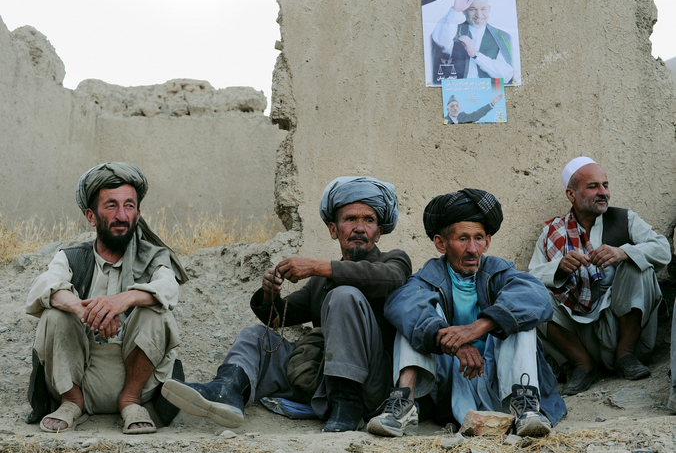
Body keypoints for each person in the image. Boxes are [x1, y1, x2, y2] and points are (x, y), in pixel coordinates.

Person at [161, 176, 412, 432]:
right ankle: (228, 390)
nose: (360, 227)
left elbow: (388, 279)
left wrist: (316, 266)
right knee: (256, 335)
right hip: (322, 381)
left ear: (379, 232)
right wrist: (270, 294)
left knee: (344, 295)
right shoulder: (320, 282)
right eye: (350, 219)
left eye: (369, 220)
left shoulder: (394, 261)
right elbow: (278, 318)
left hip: (371, 387)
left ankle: (348, 405)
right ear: (333, 230)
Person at [370, 190, 565, 438]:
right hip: (451, 381)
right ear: (441, 243)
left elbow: (536, 297)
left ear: (488, 241)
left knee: (519, 316)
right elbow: (401, 303)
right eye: (463, 239)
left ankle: (526, 407)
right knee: (415, 320)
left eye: (479, 238)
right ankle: (403, 406)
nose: (472, 249)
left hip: (500, 381)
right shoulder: (428, 277)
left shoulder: (500, 272)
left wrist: (477, 328)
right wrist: (454, 343)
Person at [26, 162, 188, 434]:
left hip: (136, 380)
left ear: (138, 214)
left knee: (156, 309)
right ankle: (71, 401)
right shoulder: (71, 257)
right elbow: (42, 287)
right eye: (111, 206)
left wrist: (123, 300)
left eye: (129, 206)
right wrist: (81, 309)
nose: (122, 215)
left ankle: (131, 401)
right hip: (79, 377)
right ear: (91, 216)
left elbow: (169, 288)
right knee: (55, 311)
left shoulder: (153, 258)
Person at [529, 157, 670, 396]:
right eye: (593, 186)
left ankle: (626, 355)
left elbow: (662, 249)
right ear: (571, 195)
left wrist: (623, 252)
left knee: (638, 265)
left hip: (621, 327)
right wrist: (560, 268)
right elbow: (532, 275)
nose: (603, 192)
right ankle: (583, 365)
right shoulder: (552, 232)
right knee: (532, 295)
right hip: (580, 335)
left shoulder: (625, 219)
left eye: (605, 185)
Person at [431, 0, 514, 84]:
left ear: (489, 9)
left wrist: (476, 55)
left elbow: (506, 75)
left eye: (483, 9)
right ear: (464, 11)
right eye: (472, 9)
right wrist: (455, 9)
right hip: (457, 92)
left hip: (489, 93)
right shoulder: (453, 31)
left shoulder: (502, 37)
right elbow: (441, 42)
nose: (479, 15)